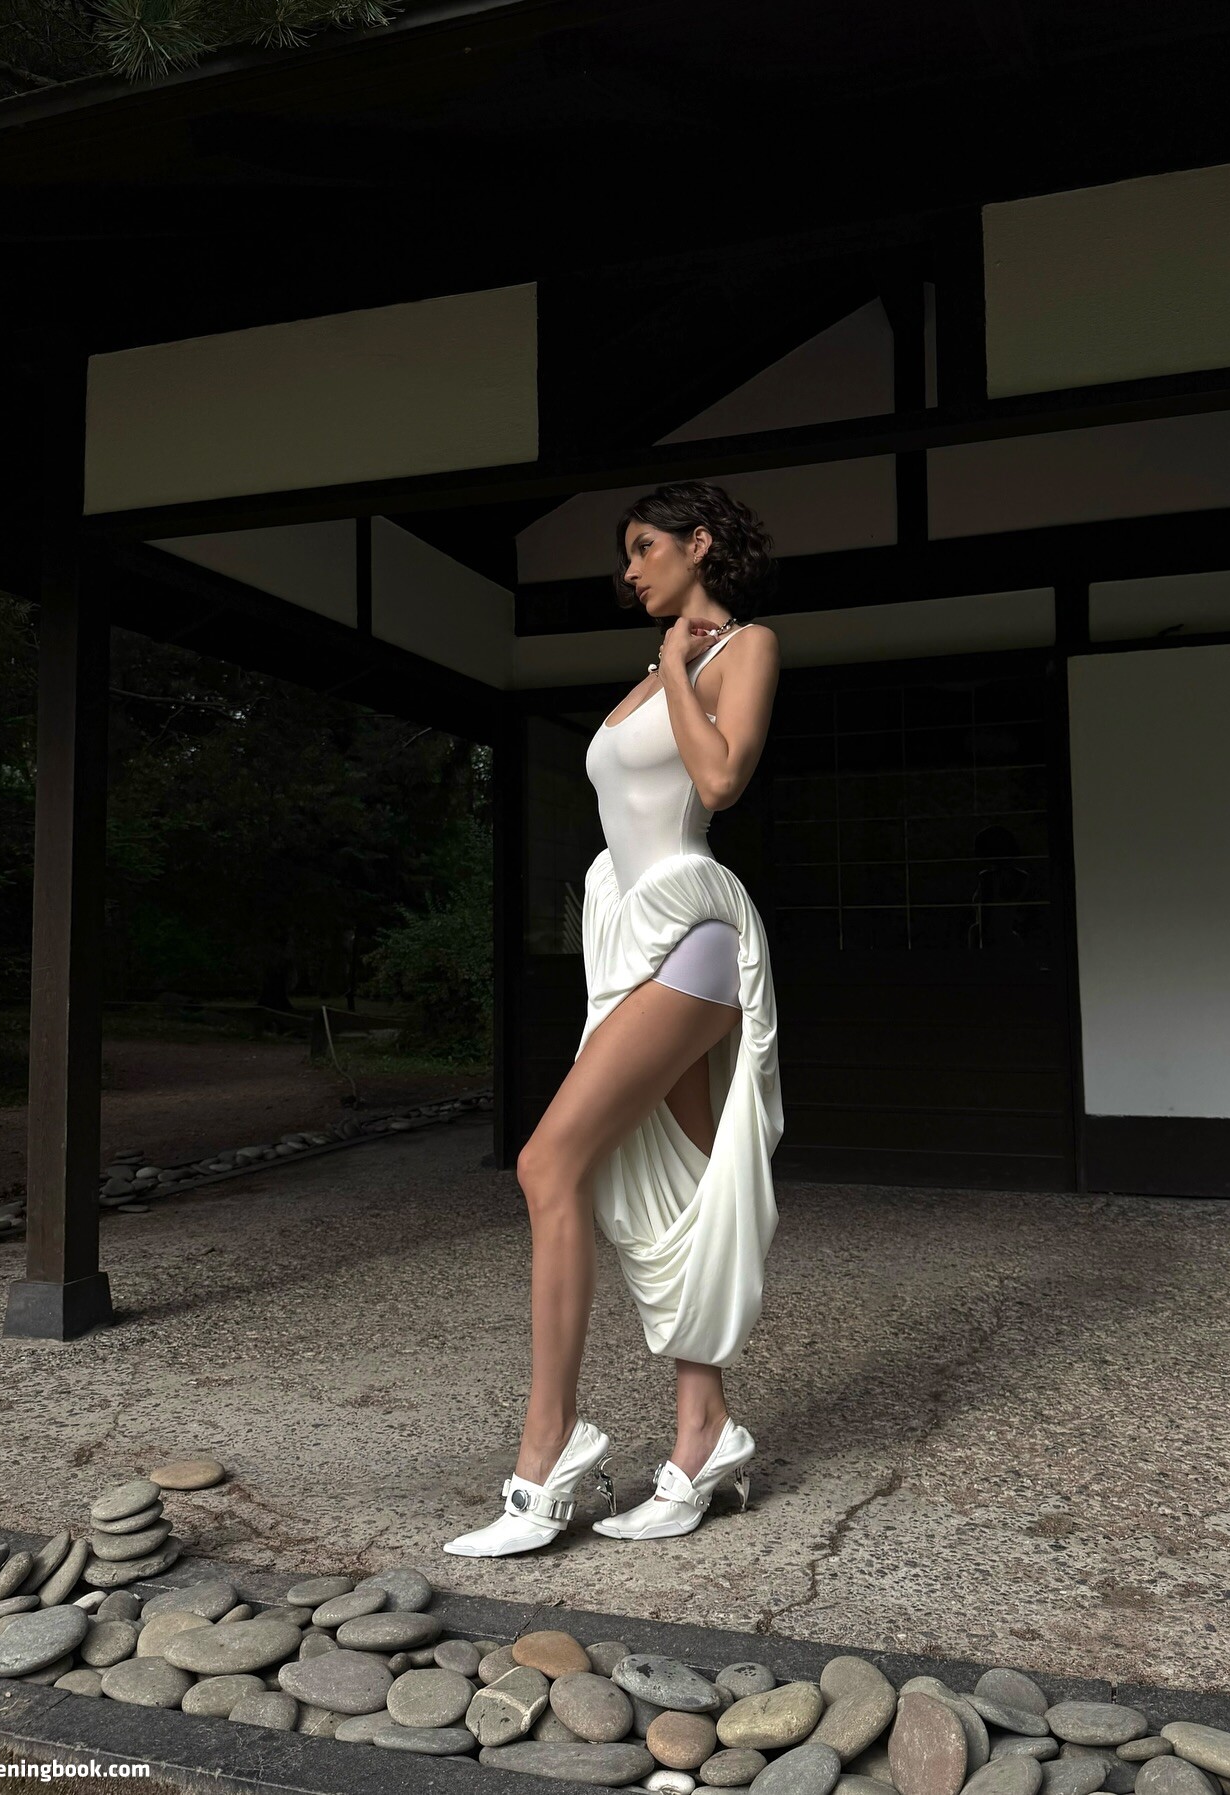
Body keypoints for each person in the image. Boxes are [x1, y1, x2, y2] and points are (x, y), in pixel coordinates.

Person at [444, 480, 784, 1557]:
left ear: (699, 544)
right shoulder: (655, 669)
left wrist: (679, 667)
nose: (629, 570)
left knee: (548, 1163)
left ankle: (549, 1452)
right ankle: (705, 1432)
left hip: (694, 937)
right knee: (670, 1188)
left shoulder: (742, 649)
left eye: (644, 548)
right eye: (626, 554)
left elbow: (717, 781)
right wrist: (665, 668)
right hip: (635, 940)